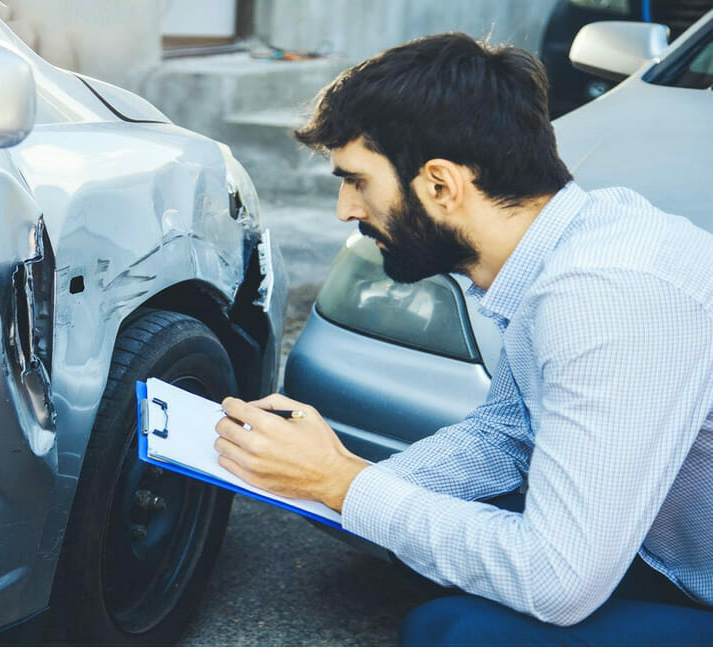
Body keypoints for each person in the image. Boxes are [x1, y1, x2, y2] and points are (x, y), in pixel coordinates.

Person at [213, 32, 713, 645]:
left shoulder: (602, 297)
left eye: (357, 181)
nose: (345, 209)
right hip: (667, 552)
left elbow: (557, 580)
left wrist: (342, 484)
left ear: (441, 185)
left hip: (687, 575)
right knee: (417, 544)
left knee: (451, 629)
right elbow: (505, 433)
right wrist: (331, 478)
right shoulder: (565, 243)